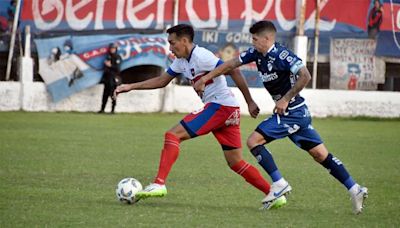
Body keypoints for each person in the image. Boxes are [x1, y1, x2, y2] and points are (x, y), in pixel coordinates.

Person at [194, 20, 368, 214]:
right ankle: (355, 189)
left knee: (253, 141)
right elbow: (229, 65)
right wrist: (205, 78)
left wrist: (285, 99)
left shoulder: (283, 55)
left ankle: (279, 183)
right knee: (320, 155)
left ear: (267, 38)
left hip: (292, 112)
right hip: (294, 113)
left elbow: (305, 75)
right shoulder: (255, 54)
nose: (252, 42)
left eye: (255, 39)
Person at [114, 24, 286, 209]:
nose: (170, 48)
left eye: (172, 43)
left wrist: (250, 101)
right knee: (235, 162)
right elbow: (162, 81)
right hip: (229, 109)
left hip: (220, 107)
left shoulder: (202, 56)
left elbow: (233, 70)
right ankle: (274, 194)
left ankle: (159, 183)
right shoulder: (181, 61)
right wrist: (130, 86)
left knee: (173, 135)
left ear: (185, 41)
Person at [99, 43, 122, 114]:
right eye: (111, 48)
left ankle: (112, 110)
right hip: (107, 78)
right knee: (105, 94)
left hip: (113, 78)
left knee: (113, 94)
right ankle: (102, 109)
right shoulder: (108, 57)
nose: (112, 50)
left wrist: (110, 65)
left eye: (113, 48)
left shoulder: (117, 57)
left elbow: (118, 69)